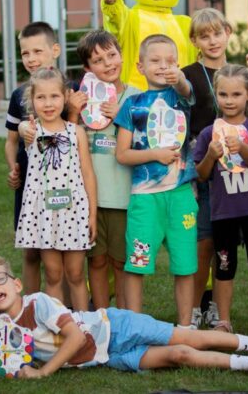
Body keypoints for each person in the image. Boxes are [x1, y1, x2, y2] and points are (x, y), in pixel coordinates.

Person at [0, 256, 248, 378]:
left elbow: (75, 338)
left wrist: (44, 372)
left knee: (187, 336)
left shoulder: (39, 303)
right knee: (178, 355)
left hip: (115, 326)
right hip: (109, 357)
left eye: (0, 279)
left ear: (16, 284)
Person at [182, 8, 248, 330]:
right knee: (203, 243)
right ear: (194, 41)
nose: (212, 40)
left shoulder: (239, 74)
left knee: (224, 245)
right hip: (204, 169)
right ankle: (194, 307)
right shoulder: (188, 75)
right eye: (204, 36)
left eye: (217, 33)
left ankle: (216, 305)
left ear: (228, 32)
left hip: (235, 174)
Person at [114, 34, 198, 326]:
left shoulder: (180, 97)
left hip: (181, 195)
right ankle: (136, 326)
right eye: (155, 61)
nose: (163, 66)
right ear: (140, 67)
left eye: (170, 61)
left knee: (185, 264)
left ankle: (185, 326)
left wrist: (180, 78)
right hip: (145, 198)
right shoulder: (131, 104)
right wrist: (155, 155)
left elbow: (186, 88)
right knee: (137, 263)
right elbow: (122, 154)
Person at [193, 65, 248, 336]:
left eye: (236, 94)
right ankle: (224, 321)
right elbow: (201, 175)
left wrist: (241, 146)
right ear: (216, 95)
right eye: (223, 94)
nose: (229, 101)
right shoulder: (208, 133)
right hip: (223, 212)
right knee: (224, 266)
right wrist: (210, 155)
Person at [15, 67, 98, 310]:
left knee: (75, 274)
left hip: (74, 212)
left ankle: (83, 324)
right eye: (41, 97)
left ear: (65, 97)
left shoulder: (76, 132)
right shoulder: (31, 130)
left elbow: (88, 174)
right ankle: (56, 325)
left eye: (54, 96)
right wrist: (24, 128)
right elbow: (22, 129)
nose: (48, 103)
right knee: (52, 274)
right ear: (32, 100)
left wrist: (92, 214)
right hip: (44, 214)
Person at [5, 21, 76, 294]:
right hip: (30, 184)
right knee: (31, 251)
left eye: (37, 51)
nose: (31, 58)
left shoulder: (70, 89)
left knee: (65, 249)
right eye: (25, 53)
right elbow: (11, 141)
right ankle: (32, 307)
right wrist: (13, 167)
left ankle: (67, 308)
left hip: (66, 183)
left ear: (55, 50)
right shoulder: (18, 95)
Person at [74, 30, 139, 309]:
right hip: (91, 198)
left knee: (121, 262)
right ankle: (100, 317)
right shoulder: (82, 101)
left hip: (124, 196)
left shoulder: (136, 97)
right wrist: (72, 112)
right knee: (97, 260)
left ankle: (124, 317)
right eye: (98, 60)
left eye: (112, 55)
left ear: (122, 55)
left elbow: (146, 141)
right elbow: (69, 139)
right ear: (87, 68)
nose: (108, 63)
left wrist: (122, 117)